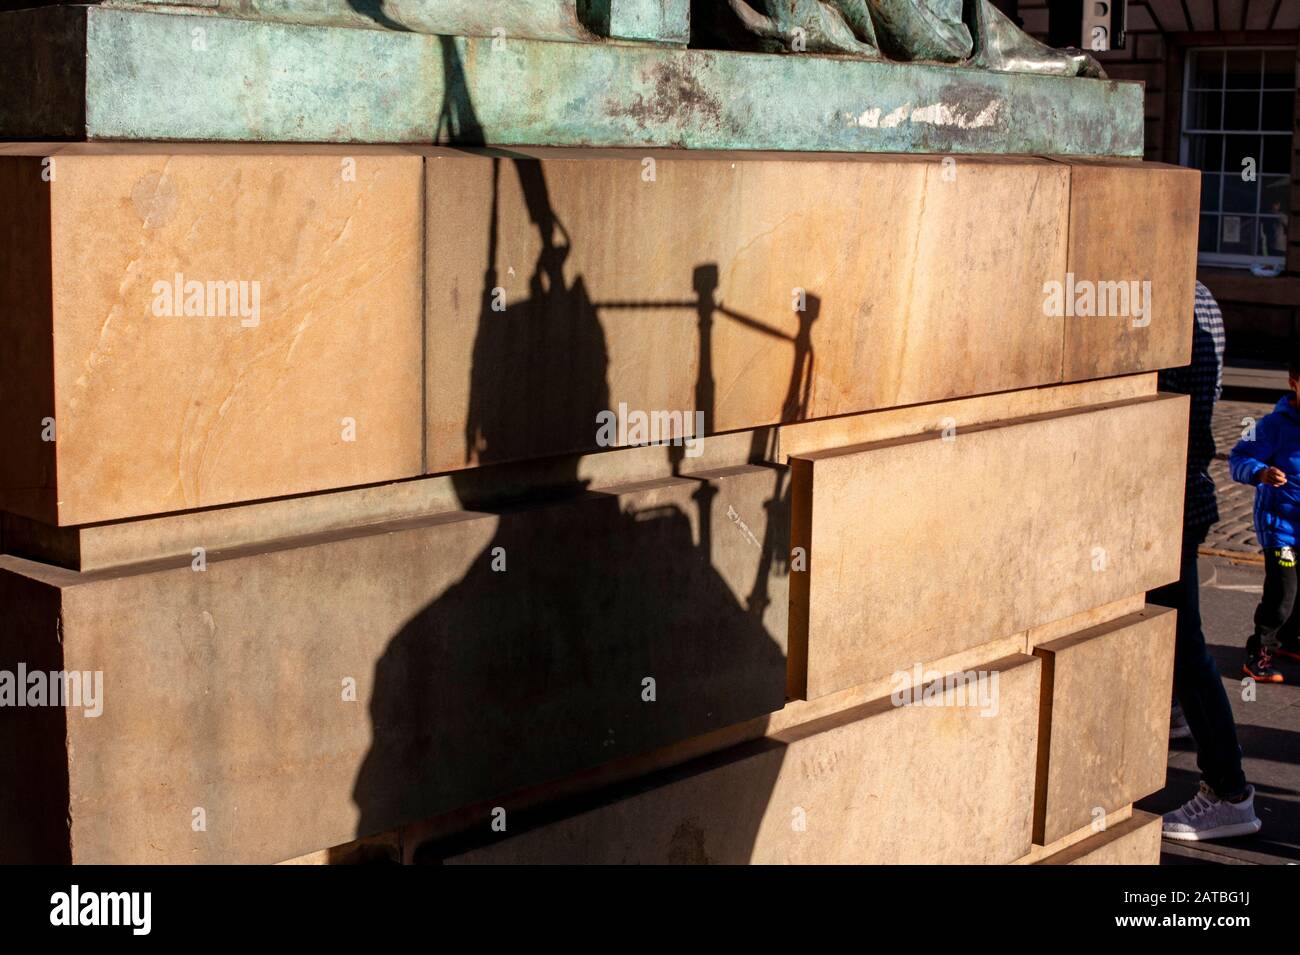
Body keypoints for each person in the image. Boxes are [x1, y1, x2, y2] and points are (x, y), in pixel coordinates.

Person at [1155, 282, 1262, 841]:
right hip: (1185, 493)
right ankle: (1174, 713)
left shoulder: (1159, 296)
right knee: (1179, 636)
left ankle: (1228, 789)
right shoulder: (1199, 294)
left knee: (1189, 647)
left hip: (1161, 498)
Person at [1228, 347, 1300, 681]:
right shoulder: (1272, 426)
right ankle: (1260, 651)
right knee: (1282, 590)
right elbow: (1238, 457)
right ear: (1294, 382)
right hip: (1279, 526)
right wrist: (1260, 473)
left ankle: (1289, 640)